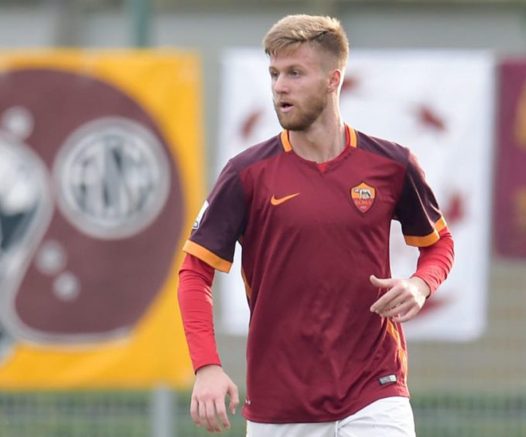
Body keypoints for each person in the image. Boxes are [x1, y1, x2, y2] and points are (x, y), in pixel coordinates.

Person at [178, 14, 455, 436]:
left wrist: (420, 284)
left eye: (295, 73)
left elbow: (439, 243)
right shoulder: (246, 174)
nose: (279, 87)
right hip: (281, 406)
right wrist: (206, 366)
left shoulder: (391, 165)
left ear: (332, 80)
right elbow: (194, 273)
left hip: (376, 392)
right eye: (274, 74)